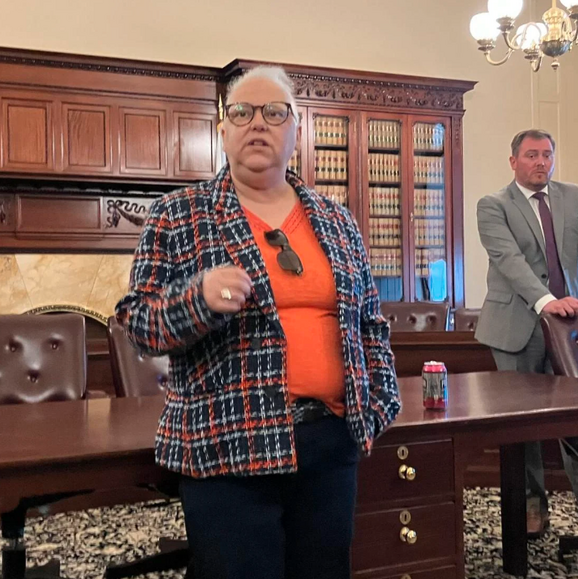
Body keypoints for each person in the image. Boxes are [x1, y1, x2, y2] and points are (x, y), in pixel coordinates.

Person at [115, 65, 400, 579]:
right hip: (229, 446)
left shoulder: (336, 219)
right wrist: (196, 299)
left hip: (331, 442)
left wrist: (377, 406)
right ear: (223, 131)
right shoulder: (179, 215)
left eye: (274, 113)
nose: (258, 124)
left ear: (295, 130)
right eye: (242, 113)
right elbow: (137, 324)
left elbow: (370, 324)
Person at [476, 128, 578, 537]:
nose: (541, 162)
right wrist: (546, 300)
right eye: (531, 155)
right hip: (517, 326)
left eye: (547, 155)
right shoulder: (493, 205)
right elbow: (509, 260)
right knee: (523, 426)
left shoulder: (575, 197)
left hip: (572, 332)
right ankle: (532, 509)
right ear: (513, 161)